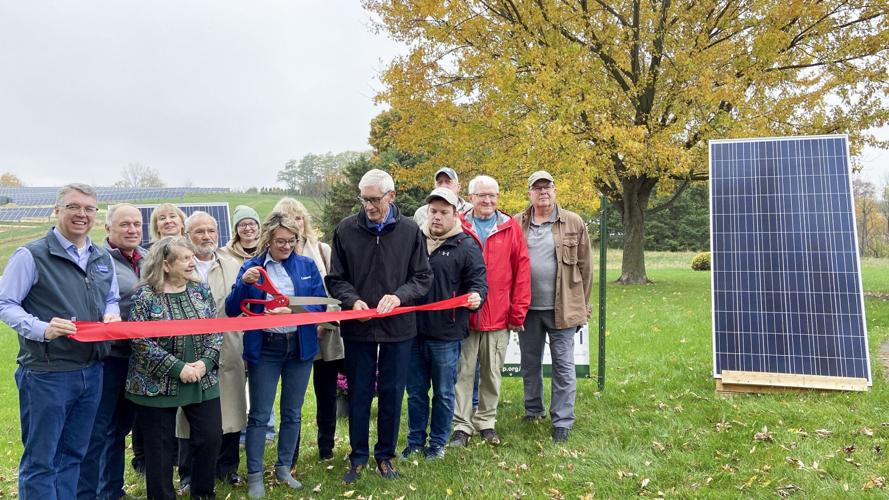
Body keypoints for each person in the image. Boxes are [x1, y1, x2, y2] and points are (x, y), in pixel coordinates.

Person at [0, 183, 121, 500]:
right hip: (47, 373)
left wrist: (112, 315)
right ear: (57, 211)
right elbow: (5, 303)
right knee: (42, 462)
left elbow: (111, 298)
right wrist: (41, 328)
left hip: (92, 371)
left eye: (89, 209)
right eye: (73, 207)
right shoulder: (31, 255)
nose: (82, 214)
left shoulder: (101, 258)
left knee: (73, 456)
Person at [325, 169, 432, 484]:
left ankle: (385, 456)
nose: (369, 206)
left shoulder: (411, 231)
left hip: (399, 328)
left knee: (391, 392)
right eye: (364, 199)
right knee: (358, 393)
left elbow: (423, 277)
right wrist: (352, 300)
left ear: (391, 196)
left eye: (374, 199)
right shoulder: (345, 230)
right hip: (359, 328)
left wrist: (400, 297)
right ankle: (357, 457)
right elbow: (336, 278)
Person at [225, 212, 327, 498]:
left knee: (293, 413)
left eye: (291, 241)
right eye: (280, 241)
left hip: (299, 347)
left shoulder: (306, 265)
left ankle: (284, 469)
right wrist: (245, 282)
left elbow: (320, 307)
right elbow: (234, 309)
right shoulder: (252, 266)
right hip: (266, 348)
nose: (286, 246)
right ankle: (255, 474)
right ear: (267, 239)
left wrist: (293, 309)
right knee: (259, 414)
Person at [126, 236, 223, 500]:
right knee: (160, 448)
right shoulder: (144, 296)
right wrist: (177, 368)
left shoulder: (200, 291)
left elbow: (216, 331)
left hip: (202, 379)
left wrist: (205, 363)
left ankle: (203, 492)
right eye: (185, 258)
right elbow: (139, 340)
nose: (192, 262)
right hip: (155, 384)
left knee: (211, 437)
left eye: (192, 257)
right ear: (166, 265)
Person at [403, 188, 487, 461]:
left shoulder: (466, 245)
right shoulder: (413, 241)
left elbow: (478, 282)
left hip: (446, 334)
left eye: (443, 213)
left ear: (455, 215)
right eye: (433, 212)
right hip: (412, 331)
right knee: (415, 392)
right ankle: (415, 441)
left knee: (443, 392)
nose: (437, 217)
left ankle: (437, 443)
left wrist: (477, 296)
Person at [449, 175, 530, 448]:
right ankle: (461, 425)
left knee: (492, 374)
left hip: (498, 316)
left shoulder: (510, 227)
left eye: (492, 195)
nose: (488, 200)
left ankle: (486, 423)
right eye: (482, 195)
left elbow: (522, 272)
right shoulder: (457, 225)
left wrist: (517, 312)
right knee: (463, 372)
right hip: (464, 316)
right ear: (471, 197)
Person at [515, 171, 593, 443]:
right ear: (530, 194)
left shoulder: (573, 222)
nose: (543, 192)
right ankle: (533, 410)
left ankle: (562, 421)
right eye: (537, 188)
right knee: (530, 363)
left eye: (547, 187)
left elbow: (586, 268)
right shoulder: (517, 224)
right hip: (527, 310)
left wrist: (581, 308)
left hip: (563, 309)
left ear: (555, 190)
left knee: (563, 365)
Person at [78, 203, 146, 500]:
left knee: (121, 428)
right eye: (125, 224)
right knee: (99, 430)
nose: (132, 230)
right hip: (109, 358)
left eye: (137, 224)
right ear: (108, 229)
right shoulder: (96, 260)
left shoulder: (148, 258)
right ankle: (88, 493)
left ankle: (112, 490)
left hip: (139, 357)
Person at [176, 211, 246, 491]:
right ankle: (188, 472)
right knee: (188, 411)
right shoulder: (179, 265)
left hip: (229, 344)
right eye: (199, 231)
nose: (206, 237)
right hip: (188, 347)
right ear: (187, 235)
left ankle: (227, 468)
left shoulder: (233, 265)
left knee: (231, 406)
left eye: (211, 231)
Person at [273, 197, 344, 463]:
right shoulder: (275, 256)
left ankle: (326, 448)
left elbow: (334, 289)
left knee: (326, 392)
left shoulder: (322, 249)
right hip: (291, 333)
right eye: (288, 218)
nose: (296, 224)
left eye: (299, 218)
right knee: (293, 398)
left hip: (323, 330)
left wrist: (324, 322)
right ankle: (291, 452)